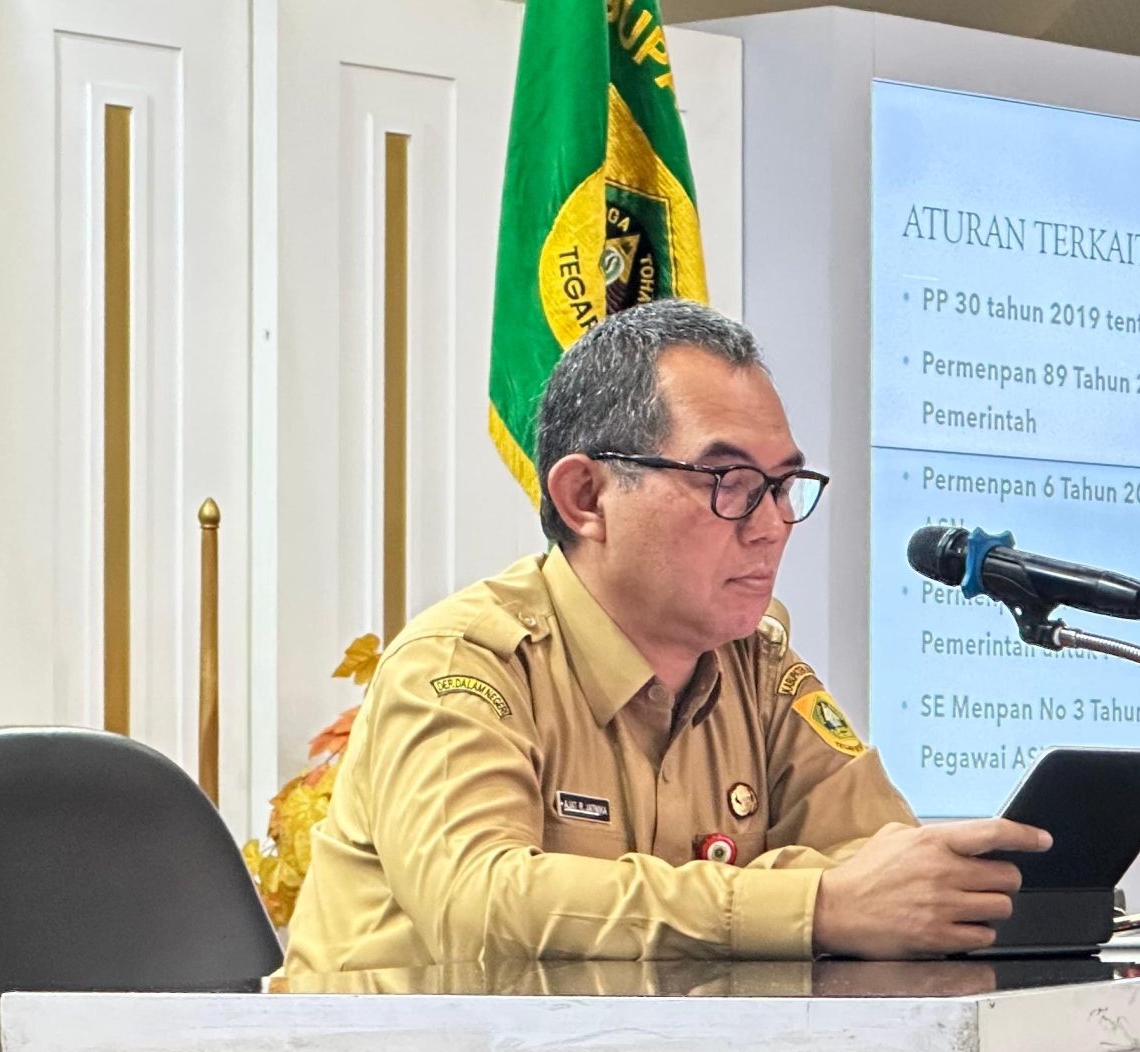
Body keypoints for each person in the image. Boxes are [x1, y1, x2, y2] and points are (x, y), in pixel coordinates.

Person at [277, 299, 1047, 995]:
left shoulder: (759, 669)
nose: (772, 525)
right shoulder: (463, 662)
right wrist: (811, 904)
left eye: (783, 486)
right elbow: (480, 905)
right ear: (586, 497)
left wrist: (848, 896)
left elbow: (885, 872)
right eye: (729, 481)